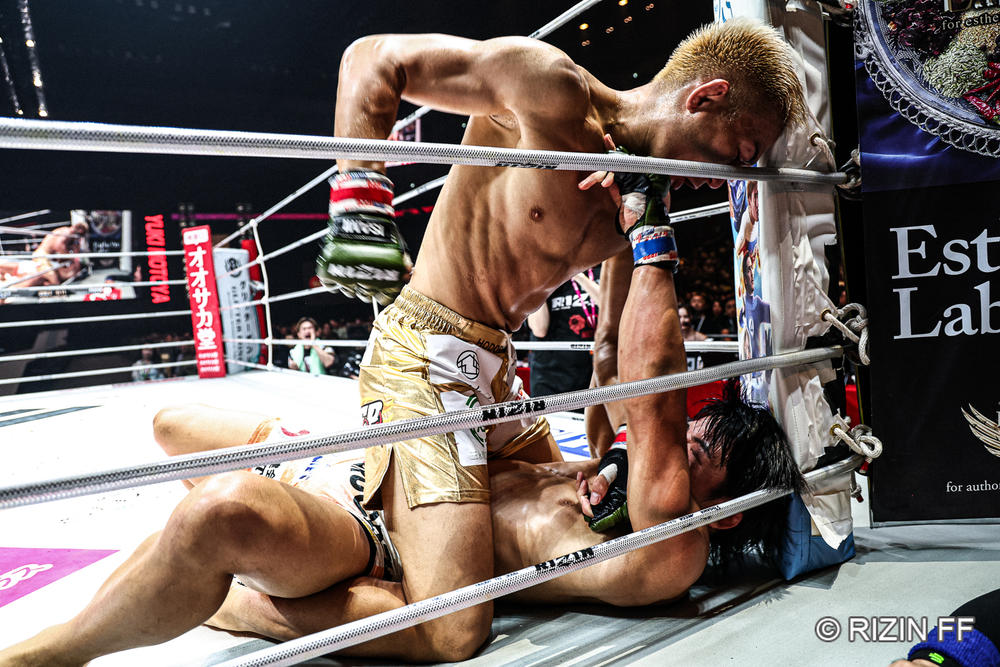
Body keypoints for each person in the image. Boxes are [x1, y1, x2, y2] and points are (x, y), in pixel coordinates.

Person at [313, 18, 806, 658]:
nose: (724, 181)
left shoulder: (637, 198)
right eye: (736, 154)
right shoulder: (551, 88)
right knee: (455, 629)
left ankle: (371, 507)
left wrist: (619, 458)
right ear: (705, 97)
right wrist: (360, 197)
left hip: (497, 367)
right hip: (425, 349)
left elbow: (611, 353)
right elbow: (375, 57)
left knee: (574, 520)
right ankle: (252, 595)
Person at [0, 278, 804, 664]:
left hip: (379, 530)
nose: (664, 443)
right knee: (169, 423)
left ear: (725, 510)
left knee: (217, 512)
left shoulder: (668, 553)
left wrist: (650, 218)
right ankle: (217, 563)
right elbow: (615, 374)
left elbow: (653, 390)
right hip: (368, 454)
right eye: (681, 434)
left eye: (692, 452)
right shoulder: (600, 465)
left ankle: (50, 652)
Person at [526, 267, 600, 398]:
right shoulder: (550, 276)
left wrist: (578, 276)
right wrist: (538, 284)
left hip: (592, 374)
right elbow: (539, 329)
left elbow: (613, 309)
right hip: (550, 376)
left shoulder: (603, 270)